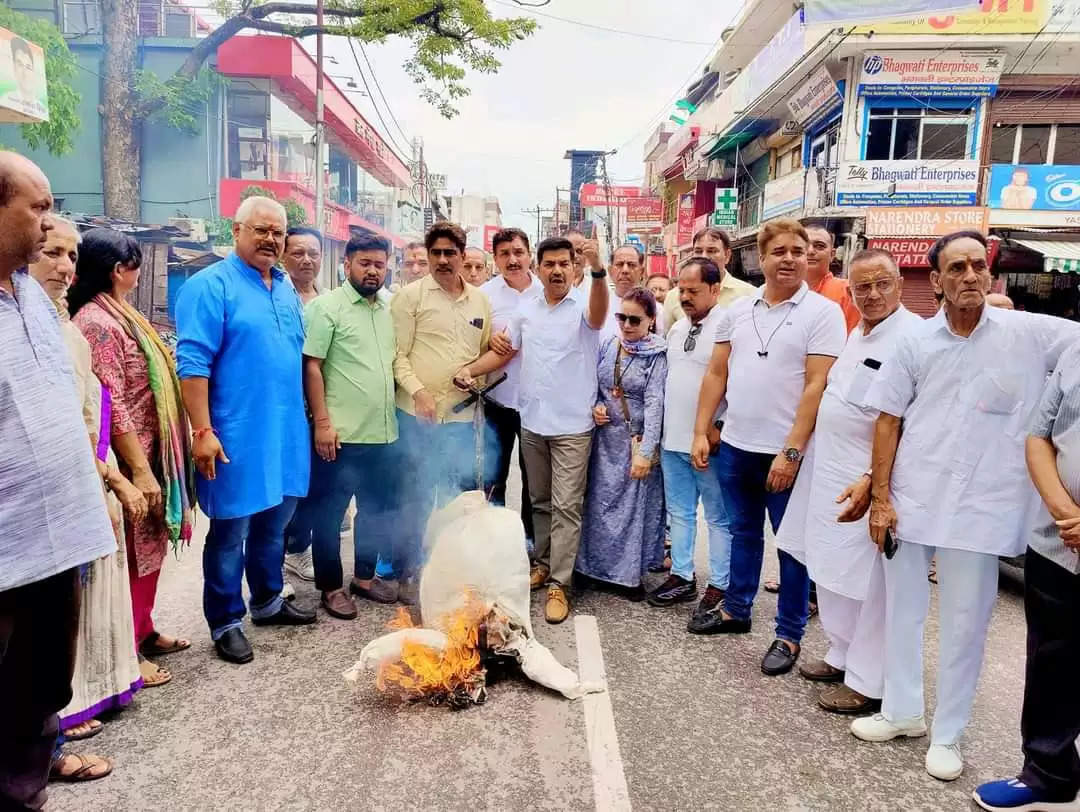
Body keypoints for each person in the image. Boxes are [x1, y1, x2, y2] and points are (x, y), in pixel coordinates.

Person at [851, 230, 1079, 782]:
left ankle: (949, 734)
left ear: (991, 275)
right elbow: (888, 420)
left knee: (965, 625)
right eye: (957, 268)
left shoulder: (1031, 333)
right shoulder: (914, 343)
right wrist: (880, 499)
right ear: (936, 282)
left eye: (978, 266)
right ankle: (902, 711)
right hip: (912, 495)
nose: (970, 276)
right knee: (901, 611)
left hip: (985, 505)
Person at [0, 152, 118, 806]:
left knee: (42, 685)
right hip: (7, 545)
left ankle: (29, 784)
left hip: (60, 537)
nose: (49, 225)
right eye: (38, 207)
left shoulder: (35, 299)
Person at [689, 218, 846, 676]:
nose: (791, 259)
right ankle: (737, 610)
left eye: (800, 251)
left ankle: (789, 633)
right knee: (743, 533)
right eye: (780, 251)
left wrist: (792, 450)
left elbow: (818, 383)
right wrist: (701, 430)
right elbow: (716, 374)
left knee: (793, 546)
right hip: (736, 445)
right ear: (762, 257)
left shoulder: (822, 313)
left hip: (788, 454)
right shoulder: (736, 312)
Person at [774, 249, 922, 715]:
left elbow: (910, 422)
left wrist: (871, 480)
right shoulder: (858, 332)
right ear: (850, 290)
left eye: (882, 283)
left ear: (899, 283)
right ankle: (842, 653)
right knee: (830, 571)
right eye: (863, 287)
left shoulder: (914, 338)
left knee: (869, 584)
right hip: (827, 472)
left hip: (870, 481)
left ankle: (868, 682)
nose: (872, 294)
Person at [176, 196, 317, 666]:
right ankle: (226, 621)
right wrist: (202, 431)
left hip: (286, 431)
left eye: (277, 232)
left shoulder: (283, 287)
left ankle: (267, 601)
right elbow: (193, 365)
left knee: (275, 521)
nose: (270, 239)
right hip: (234, 434)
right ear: (236, 231)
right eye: (260, 230)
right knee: (230, 529)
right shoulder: (209, 286)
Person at [30, 218, 143, 744]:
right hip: (61, 483)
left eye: (71, 256)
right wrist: (122, 476)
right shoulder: (43, 327)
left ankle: (78, 702)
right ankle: (49, 729)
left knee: (85, 598)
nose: (63, 266)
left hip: (91, 472)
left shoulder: (65, 328)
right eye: (51, 252)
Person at [455, 236, 609, 624]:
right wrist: (469, 370)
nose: (557, 270)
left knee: (566, 506)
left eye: (564, 264)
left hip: (574, 425)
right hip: (534, 422)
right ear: (538, 269)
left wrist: (598, 270)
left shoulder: (584, 305)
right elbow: (504, 352)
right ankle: (540, 563)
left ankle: (560, 583)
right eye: (549, 264)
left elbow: (599, 313)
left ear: (573, 268)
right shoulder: (527, 309)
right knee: (538, 500)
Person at [69, 228, 195, 689]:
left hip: (150, 451)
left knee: (151, 547)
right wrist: (138, 471)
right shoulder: (97, 323)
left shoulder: (121, 314)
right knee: (130, 558)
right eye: (135, 264)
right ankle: (127, 650)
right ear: (120, 271)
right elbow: (111, 402)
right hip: (126, 460)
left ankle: (144, 628)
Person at [974, 339, 1080, 811]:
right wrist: (1065, 514)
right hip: (1058, 544)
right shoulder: (1076, 349)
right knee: (1051, 663)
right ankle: (1048, 775)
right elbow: (1039, 436)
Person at [391, 222, 492, 600]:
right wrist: (418, 392)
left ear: (464, 257)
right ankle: (409, 572)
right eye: (436, 253)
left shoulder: (480, 302)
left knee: (455, 499)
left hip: (462, 421)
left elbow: (483, 355)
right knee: (416, 496)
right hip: (417, 418)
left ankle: (448, 572)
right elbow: (397, 356)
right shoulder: (410, 297)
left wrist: (474, 373)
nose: (443, 260)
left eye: (451, 253)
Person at [300, 233, 400, 618]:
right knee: (329, 514)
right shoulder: (327, 308)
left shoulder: (390, 308)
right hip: (340, 435)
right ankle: (329, 586)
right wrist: (322, 423)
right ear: (347, 265)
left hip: (384, 432)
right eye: (365, 263)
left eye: (379, 264)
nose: (373, 270)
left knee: (375, 511)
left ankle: (363, 576)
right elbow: (313, 365)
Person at [647, 256, 745, 629]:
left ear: (715, 290)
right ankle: (683, 577)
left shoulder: (730, 328)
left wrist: (718, 426)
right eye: (681, 290)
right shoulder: (676, 329)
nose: (685, 297)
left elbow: (737, 382)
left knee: (718, 517)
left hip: (708, 442)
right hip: (673, 440)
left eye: (693, 290)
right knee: (680, 512)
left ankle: (719, 584)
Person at [577, 288, 668, 598]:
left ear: (651, 321)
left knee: (634, 511)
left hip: (635, 440)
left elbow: (656, 402)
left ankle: (628, 576)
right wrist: (597, 406)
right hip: (605, 441)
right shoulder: (609, 345)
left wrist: (646, 452)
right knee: (599, 506)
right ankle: (592, 569)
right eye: (622, 317)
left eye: (635, 319)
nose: (627, 325)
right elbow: (596, 385)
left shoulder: (657, 354)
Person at [481, 227, 541, 542]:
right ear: (496, 259)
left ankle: (530, 544)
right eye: (505, 254)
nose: (513, 260)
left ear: (529, 254)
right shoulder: (484, 295)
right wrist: (486, 339)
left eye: (518, 252)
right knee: (493, 476)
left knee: (535, 479)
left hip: (536, 404)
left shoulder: (547, 290)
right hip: (497, 402)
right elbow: (472, 340)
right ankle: (496, 542)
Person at [662, 227, 754, 335]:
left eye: (712, 251)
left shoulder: (749, 295)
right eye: (698, 251)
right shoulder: (674, 296)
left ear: (727, 255)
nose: (704, 256)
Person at [804, 223, 860, 333]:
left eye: (819, 246)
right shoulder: (785, 293)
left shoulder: (848, 290)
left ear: (832, 254)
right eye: (804, 246)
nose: (810, 251)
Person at [604, 244, 663, 336]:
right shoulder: (599, 306)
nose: (625, 270)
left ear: (641, 272)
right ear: (610, 271)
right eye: (619, 264)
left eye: (631, 265)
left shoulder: (656, 309)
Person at [281, 226, 323, 307]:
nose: (307, 260)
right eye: (298, 254)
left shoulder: (329, 299)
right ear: (283, 257)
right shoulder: (273, 294)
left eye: (313, 254)